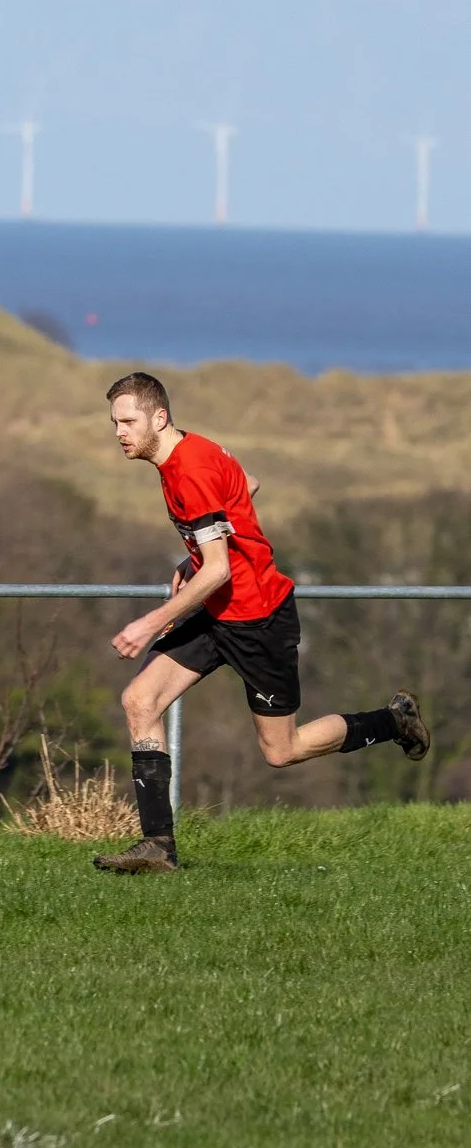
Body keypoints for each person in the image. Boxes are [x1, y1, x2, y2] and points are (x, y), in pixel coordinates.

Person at [97, 372, 429, 874]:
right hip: (215, 613)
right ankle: (157, 847)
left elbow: (219, 570)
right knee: (139, 700)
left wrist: (151, 622)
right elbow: (247, 486)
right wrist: (194, 558)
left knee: (282, 751)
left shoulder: (190, 471)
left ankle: (394, 721)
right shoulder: (191, 451)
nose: (119, 432)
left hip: (258, 621)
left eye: (128, 421)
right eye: (115, 423)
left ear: (159, 417)